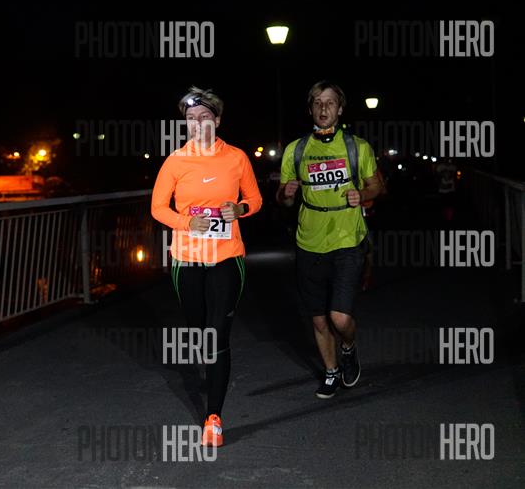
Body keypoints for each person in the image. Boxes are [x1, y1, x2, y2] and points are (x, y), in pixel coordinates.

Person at [151, 86, 262, 446]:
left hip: (227, 256)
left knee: (217, 334)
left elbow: (255, 199)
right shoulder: (175, 161)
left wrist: (240, 209)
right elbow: (157, 208)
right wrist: (187, 222)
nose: (198, 124)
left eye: (204, 117)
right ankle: (209, 366)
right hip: (187, 258)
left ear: (217, 120)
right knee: (199, 331)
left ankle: (214, 417)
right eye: (191, 119)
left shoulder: (237, 158)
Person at [276, 80, 382, 399]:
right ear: (310, 109)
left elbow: (377, 186)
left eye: (330, 102)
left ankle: (348, 346)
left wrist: (362, 194)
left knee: (339, 316)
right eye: (318, 103)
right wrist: (286, 193)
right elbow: (284, 199)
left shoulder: (357, 147)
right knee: (319, 319)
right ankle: (331, 371)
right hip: (309, 242)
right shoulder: (296, 150)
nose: (324, 108)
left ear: (340, 109)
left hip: (347, 239)